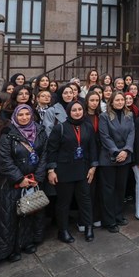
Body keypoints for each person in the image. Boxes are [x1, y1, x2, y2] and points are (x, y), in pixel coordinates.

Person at [0, 104, 47, 262]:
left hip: (33, 180)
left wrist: (37, 177)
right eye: (21, 115)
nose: (24, 117)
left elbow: (44, 155)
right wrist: (20, 179)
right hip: (13, 183)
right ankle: (10, 249)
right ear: (15, 116)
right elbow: (4, 160)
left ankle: (26, 242)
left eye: (27, 114)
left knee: (29, 211)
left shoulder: (39, 131)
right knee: (11, 217)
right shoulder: (8, 134)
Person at [47, 101, 98, 242]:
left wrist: (93, 167)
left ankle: (88, 227)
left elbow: (92, 147)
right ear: (69, 112)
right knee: (64, 202)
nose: (77, 112)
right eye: (74, 110)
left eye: (80, 109)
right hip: (64, 171)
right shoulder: (60, 128)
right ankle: (62, 230)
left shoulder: (87, 126)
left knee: (85, 200)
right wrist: (51, 170)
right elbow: (51, 150)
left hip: (83, 170)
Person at [98, 92, 135, 232]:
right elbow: (104, 136)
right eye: (117, 100)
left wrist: (126, 151)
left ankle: (118, 215)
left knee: (121, 189)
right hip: (109, 158)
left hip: (125, 157)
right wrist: (116, 151)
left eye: (122, 100)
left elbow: (132, 133)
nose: (120, 102)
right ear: (111, 102)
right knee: (109, 190)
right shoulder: (104, 116)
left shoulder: (129, 115)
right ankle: (109, 220)